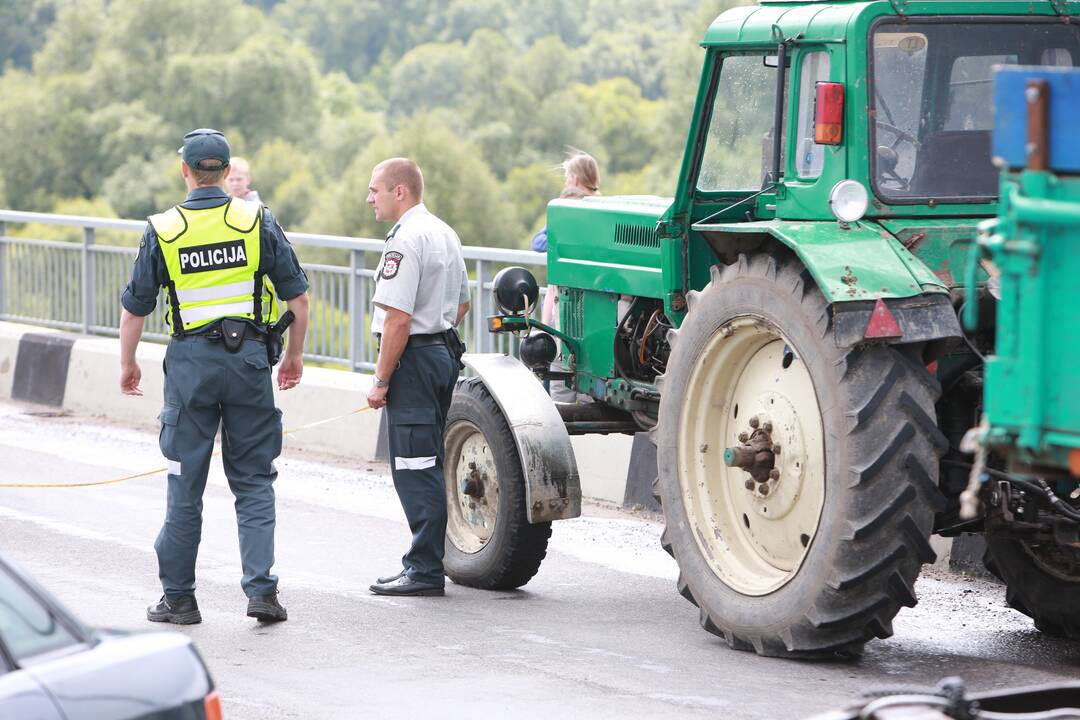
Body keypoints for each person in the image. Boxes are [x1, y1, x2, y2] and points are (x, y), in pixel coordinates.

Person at [119, 128, 310, 625]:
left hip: (190, 369)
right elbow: (299, 299)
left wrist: (128, 363)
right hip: (249, 364)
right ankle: (261, 594)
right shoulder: (256, 221)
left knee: (185, 484)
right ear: (227, 173)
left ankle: (179, 600)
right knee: (253, 481)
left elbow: (135, 307)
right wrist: (293, 356)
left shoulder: (163, 229)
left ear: (184, 170)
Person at [364, 157, 469, 598]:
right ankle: (425, 561)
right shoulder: (444, 232)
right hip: (442, 352)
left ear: (399, 191)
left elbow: (398, 320)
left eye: (375, 190)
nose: (369, 198)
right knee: (427, 460)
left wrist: (382, 380)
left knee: (414, 465)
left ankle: (424, 568)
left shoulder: (405, 240)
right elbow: (462, 302)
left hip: (415, 360)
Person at [531, 150, 600, 326]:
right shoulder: (602, 205)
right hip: (595, 289)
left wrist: (559, 243)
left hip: (568, 291)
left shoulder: (565, 206)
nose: (566, 180)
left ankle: (546, 331)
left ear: (575, 178)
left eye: (567, 175)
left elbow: (538, 242)